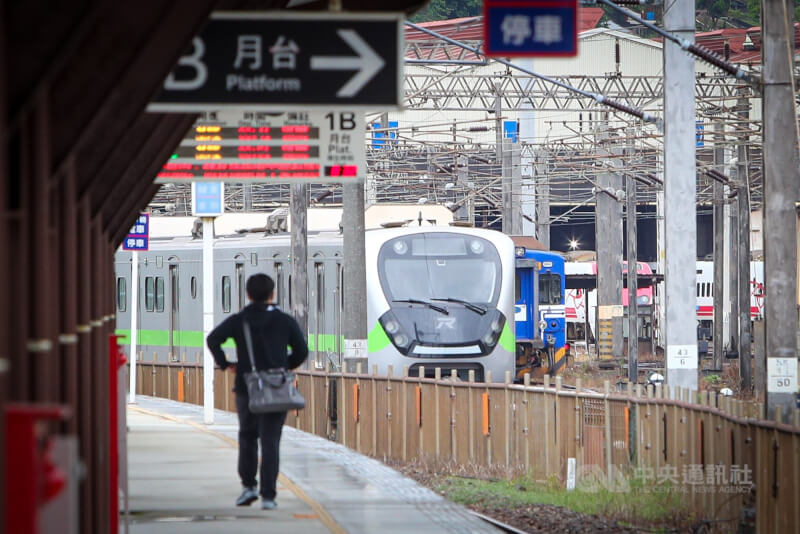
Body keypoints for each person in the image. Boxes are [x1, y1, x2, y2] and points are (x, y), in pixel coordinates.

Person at [207, 273, 308, 510]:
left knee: (248, 437)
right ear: (272, 294)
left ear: (248, 294)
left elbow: (213, 339)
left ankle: (248, 486)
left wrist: (226, 364)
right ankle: (269, 496)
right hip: (276, 387)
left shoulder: (240, 320)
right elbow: (302, 350)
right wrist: (284, 366)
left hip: (247, 388)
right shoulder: (285, 321)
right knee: (271, 441)